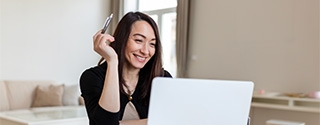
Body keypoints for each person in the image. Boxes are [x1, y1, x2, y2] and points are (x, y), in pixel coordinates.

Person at [79, 11, 172, 125]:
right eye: (138, 40)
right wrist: (112, 61)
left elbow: (171, 120)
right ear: (122, 39)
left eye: (152, 44)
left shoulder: (162, 78)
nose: (145, 51)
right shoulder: (92, 77)